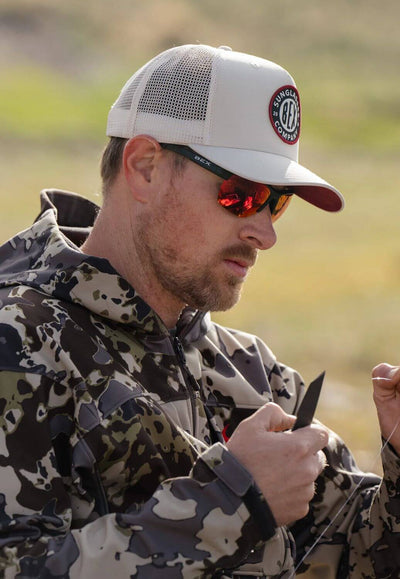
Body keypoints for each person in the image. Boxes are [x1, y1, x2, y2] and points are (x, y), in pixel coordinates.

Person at [0, 44, 399, 579]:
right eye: (242, 194)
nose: (265, 233)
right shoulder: (18, 343)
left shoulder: (247, 367)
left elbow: (351, 552)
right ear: (144, 168)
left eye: (277, 201)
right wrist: (233, 501)